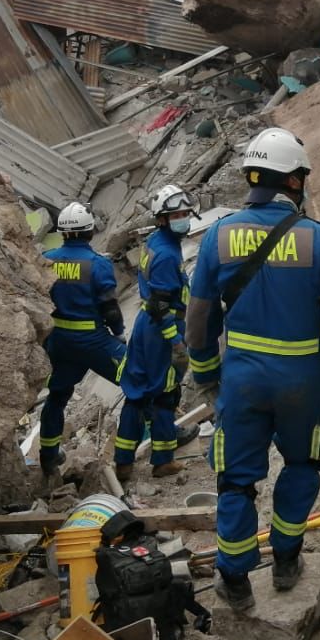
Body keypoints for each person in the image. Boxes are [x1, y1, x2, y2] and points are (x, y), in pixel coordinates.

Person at [184, 128, 320, 611]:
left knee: (236, 481)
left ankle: (236, 581)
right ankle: (286, 561)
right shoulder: (319, 240)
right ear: (295, 182)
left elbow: (199, 318)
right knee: (302, 465)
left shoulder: (219, 236)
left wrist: (206, 377)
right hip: (303, 379)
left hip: (242, 380)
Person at [114, 184, 200, 484]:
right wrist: (175, 342)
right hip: (161, 332)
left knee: (136, 395)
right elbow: (162, 305)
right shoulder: (165, 254)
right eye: (176, 214)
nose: (183, 218)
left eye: (185, 212)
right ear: (162, 218)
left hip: (144, 327)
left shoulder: (154, 241)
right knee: (165, 395)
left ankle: (123, 463)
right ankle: (162, 461)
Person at [39, 202, 127, 477]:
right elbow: (109, 306)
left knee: (57, 397)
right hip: (93, 340)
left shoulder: (48, 258)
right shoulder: (97, 264)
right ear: (89, 232)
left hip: (58, 342)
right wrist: (119, 332)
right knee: (138, 380)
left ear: (63, 232)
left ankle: (48, 457)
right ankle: (145, 451)